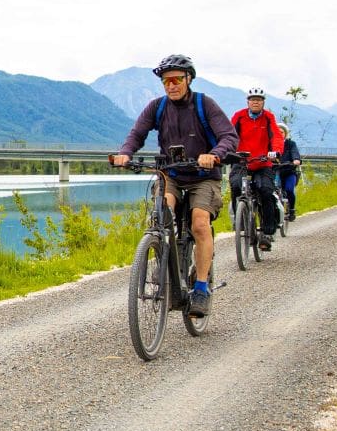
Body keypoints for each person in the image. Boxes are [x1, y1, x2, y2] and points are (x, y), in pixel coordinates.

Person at [109, 54, 237, 317]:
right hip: (171, 176)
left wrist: (214, 154)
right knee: (161, 211)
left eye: (177, 79)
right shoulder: (157, 107)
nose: (171, 85)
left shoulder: (204, 105)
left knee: (200, 222)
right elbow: (137, 134)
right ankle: (162, 255)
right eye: (166, 81)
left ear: (188, 79)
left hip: (203, 176)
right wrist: (126, 153)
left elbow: (228, 136)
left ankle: (201, 288)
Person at [230, 88, 285, 248]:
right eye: (253, 99)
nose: (255, 102)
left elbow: (276, 136)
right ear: (247, 102)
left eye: (259, 100)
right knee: (235, 186)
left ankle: (267, 232)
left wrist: (275, 152)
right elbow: (229, 134)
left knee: (266, 190)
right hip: (242, 162)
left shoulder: (268, 118)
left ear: (263, 102)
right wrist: (227, 151)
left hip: (262, 162)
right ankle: (239, 221)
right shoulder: (239, 116)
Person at [278, 124, 303, 221]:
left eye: (282, 132)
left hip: (289, 171)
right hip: (276, 171)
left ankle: (291, 209)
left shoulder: (290, 144)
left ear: (285, 133)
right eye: (278, 132)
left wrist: (296, 160)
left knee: (289, 190)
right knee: (273, 191)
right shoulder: (271, 143)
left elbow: (295, 153)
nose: (280, 134)